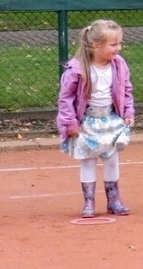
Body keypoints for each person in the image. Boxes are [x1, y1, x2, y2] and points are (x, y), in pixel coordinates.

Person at [57, 19, 136, 218]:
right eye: (113, 44)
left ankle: (114, 201)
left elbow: (126, 90)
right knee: (88, 161)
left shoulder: (119, 65)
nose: (119, 48)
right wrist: (70, 123)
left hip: (110, 120)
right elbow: (65, 98)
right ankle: (89, 203)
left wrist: (128, 112)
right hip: (86, 123)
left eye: (119, 43)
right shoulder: (77, 69)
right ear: (95, 45)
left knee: (112, 160)